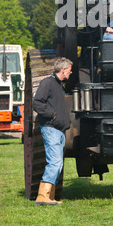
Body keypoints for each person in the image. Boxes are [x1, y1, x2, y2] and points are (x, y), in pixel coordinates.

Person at [33, 57, 72, 205]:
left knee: (58, 164)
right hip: (51, 128)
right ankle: (42, 196)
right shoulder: (47, 82)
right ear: (63, 70)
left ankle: (50, 197)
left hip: (59, 130)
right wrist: (53, 115)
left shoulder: (58, 84)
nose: (71, 72)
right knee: (54, 162)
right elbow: (37, 102)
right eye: (69, 70)